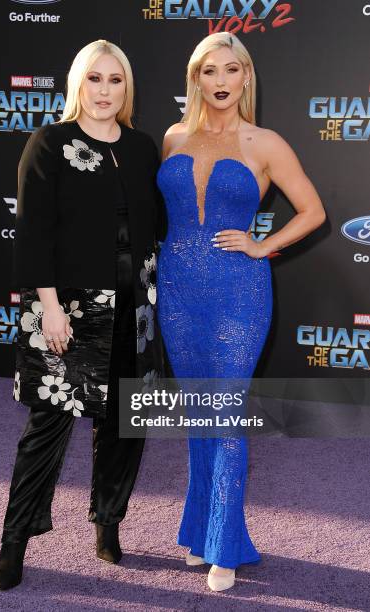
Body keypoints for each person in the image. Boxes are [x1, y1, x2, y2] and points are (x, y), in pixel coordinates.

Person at [156, 32, 326, 592]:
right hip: (179, 293)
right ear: (196, 78)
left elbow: (313, 211)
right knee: (200, 415)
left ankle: (225, 545)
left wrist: (262, 244)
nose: (222, 80)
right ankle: (200, 531)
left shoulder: (265, 142)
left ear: (246, 77)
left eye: (232, 69)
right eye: (210, 71)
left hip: (239, 294)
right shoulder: (174, 136)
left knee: (225, 414)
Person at [0, 39, 164, 591]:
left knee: (124, 424)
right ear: (77, 84)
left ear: (127, 88)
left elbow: (155, 225)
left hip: (133, 308)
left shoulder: (141, 148)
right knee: (46, 427)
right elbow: (35, 232)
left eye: (115, 81)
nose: (105, 92)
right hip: (65, 307)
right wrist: (48, 307)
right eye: (95, 79)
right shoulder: (50, 142)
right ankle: (14, 540)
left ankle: (108, 523)